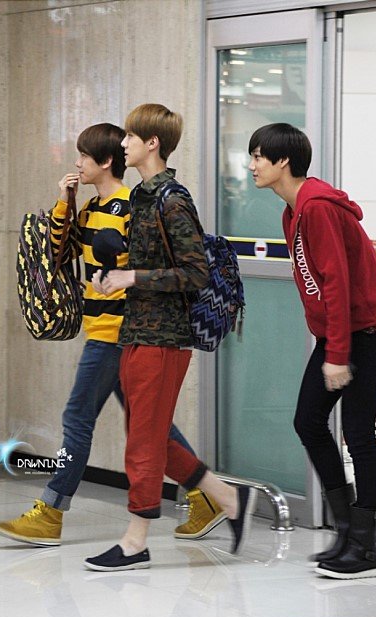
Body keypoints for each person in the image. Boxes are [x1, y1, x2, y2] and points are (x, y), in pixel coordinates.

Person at [0, 122, 218, 546]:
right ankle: (205, 494)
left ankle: (51, 511)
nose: (77, 163)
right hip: (100, 327)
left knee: (77, 417)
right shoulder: (89, 207)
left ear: (106, 161)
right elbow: (59, 254)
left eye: (83, 155)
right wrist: (64, 203)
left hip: (118, 332)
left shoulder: (129, 206)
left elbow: (144, 265)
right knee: (151, 427)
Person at [85, 103, 255, 571]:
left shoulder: (173, 200)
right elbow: (147, 263)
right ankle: (227, 498)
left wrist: (133, 277)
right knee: (148, 436)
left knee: (143, 441)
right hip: (136, 330)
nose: (123, 143)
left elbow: (195, 273)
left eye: (130, 136)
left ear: (152, 143)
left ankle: (135, 541)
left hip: (164, 338)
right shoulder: (142, 197)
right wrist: (115, 276)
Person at [248, 122, 376, 580]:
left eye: (258, 156)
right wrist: (330, 344)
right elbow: (319, 285)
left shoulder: (317, 209)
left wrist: (337, 354)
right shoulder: (294, 212)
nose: (252, 166)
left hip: (368, 331)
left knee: (359, 434)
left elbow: (338, 284)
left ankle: (366, 548)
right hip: (341, 334)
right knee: (308, 421)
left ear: (283, 160)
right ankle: (346, 529)